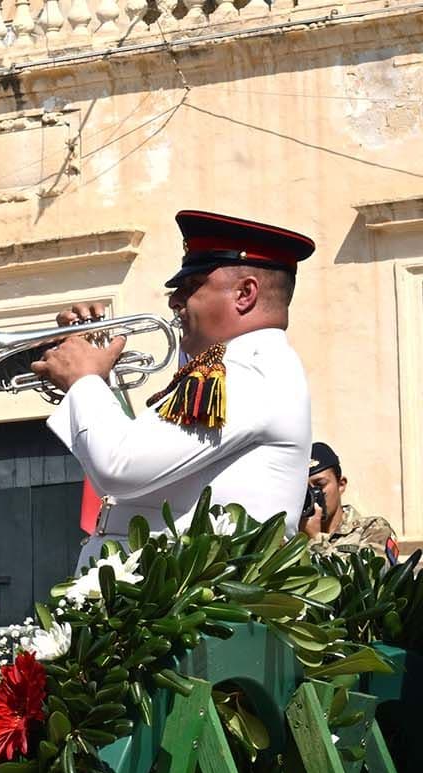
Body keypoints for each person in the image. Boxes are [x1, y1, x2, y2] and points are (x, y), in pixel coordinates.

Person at [35, 210, 314, 568]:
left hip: (202, 608)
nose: (173, 301)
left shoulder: (250, 373)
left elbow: (118, 467)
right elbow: (126, 469)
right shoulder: (229, 368)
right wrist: (88, 375)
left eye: (192, 285)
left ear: (245, 293)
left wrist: (86, 381)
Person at [301, 441, 399, 555]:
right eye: (305, 488)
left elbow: (370, 571)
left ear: (341, 484)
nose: (313, 494)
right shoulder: (291, 534)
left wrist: (315, 540)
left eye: (320, 485)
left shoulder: (373, 529)